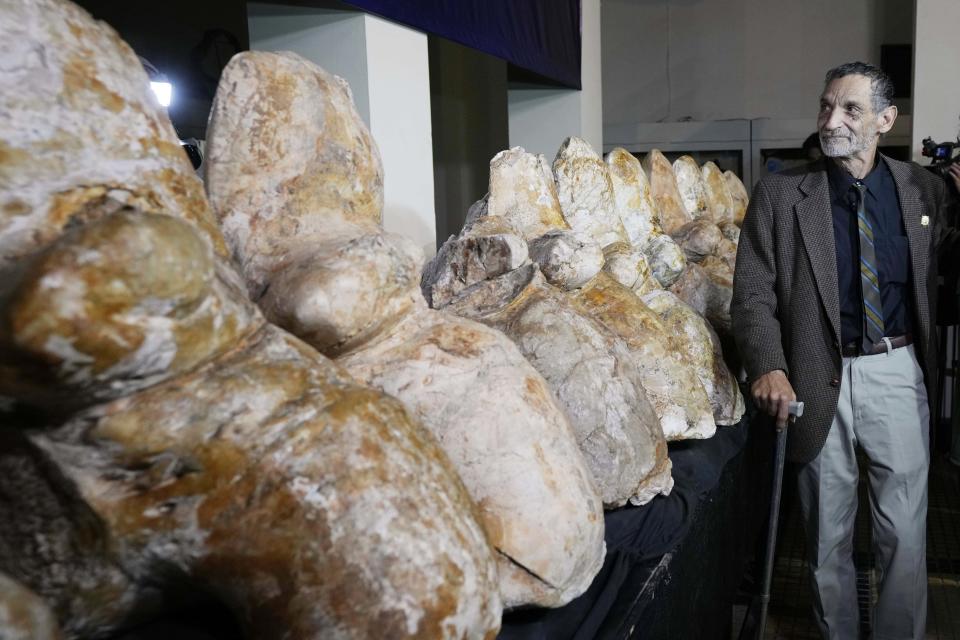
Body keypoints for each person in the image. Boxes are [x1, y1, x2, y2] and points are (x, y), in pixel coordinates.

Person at [732, 61, 958, 640]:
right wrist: (770, 366)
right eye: (827, 106)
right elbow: (752, 296)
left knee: (905, 537)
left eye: (851, 109)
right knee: (826, 537)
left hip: (897, 372)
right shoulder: (782, 195)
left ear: (886, 119)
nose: (833, 120)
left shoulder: (922, 189)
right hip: (811, 377)